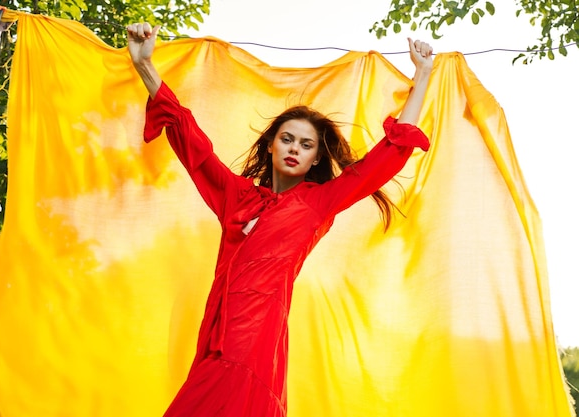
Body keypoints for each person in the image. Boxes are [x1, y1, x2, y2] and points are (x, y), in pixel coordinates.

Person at [127, 22, 433, 417]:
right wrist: (145, 65)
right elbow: (191, 140)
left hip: (255, 343)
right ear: (271, 144)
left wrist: (421, 76)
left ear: (316, 159)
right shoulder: (236, 196)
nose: (294, 149)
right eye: (287, 139)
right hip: (215, 336)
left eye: (306, 145)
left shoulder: (319, 202)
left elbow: (384, 158)